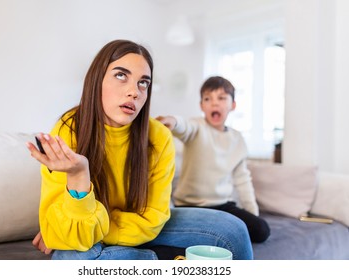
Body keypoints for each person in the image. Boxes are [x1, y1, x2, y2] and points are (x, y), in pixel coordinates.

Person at [26, 40, 253, 260]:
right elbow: (68, 228)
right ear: (97, 79)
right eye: (121, 75)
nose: (134, 91)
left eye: (143, 82)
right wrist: (78, 175)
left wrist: (73, 231)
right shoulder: (69, 129)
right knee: (74, 259)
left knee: (234, 230)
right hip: (102, 225)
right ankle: (167, 258)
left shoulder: (159, 137)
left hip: (119, 227)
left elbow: (152, 219)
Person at [157, 76, 270, 243]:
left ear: (233, 105)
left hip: (222, 206)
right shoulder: (197, 128)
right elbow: (184, 126)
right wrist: (172, 121)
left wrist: (252, 214)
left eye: (222, 98)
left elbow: (242, 180)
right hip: (189, 206)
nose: (214, 103)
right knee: (216, 235)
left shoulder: (237, 139)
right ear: (202, 106)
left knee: (261, 230)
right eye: (208, 99)